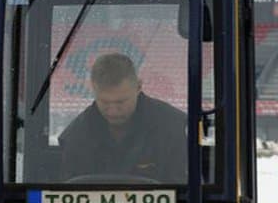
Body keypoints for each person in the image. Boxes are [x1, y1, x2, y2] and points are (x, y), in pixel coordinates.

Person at [58, 52, 187, 183]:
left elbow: (187, 194)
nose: (113, 111)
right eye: (104, 102)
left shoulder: (174, 128)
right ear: (93, 89)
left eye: (121, 102)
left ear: (138, 87)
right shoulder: (75, 137)